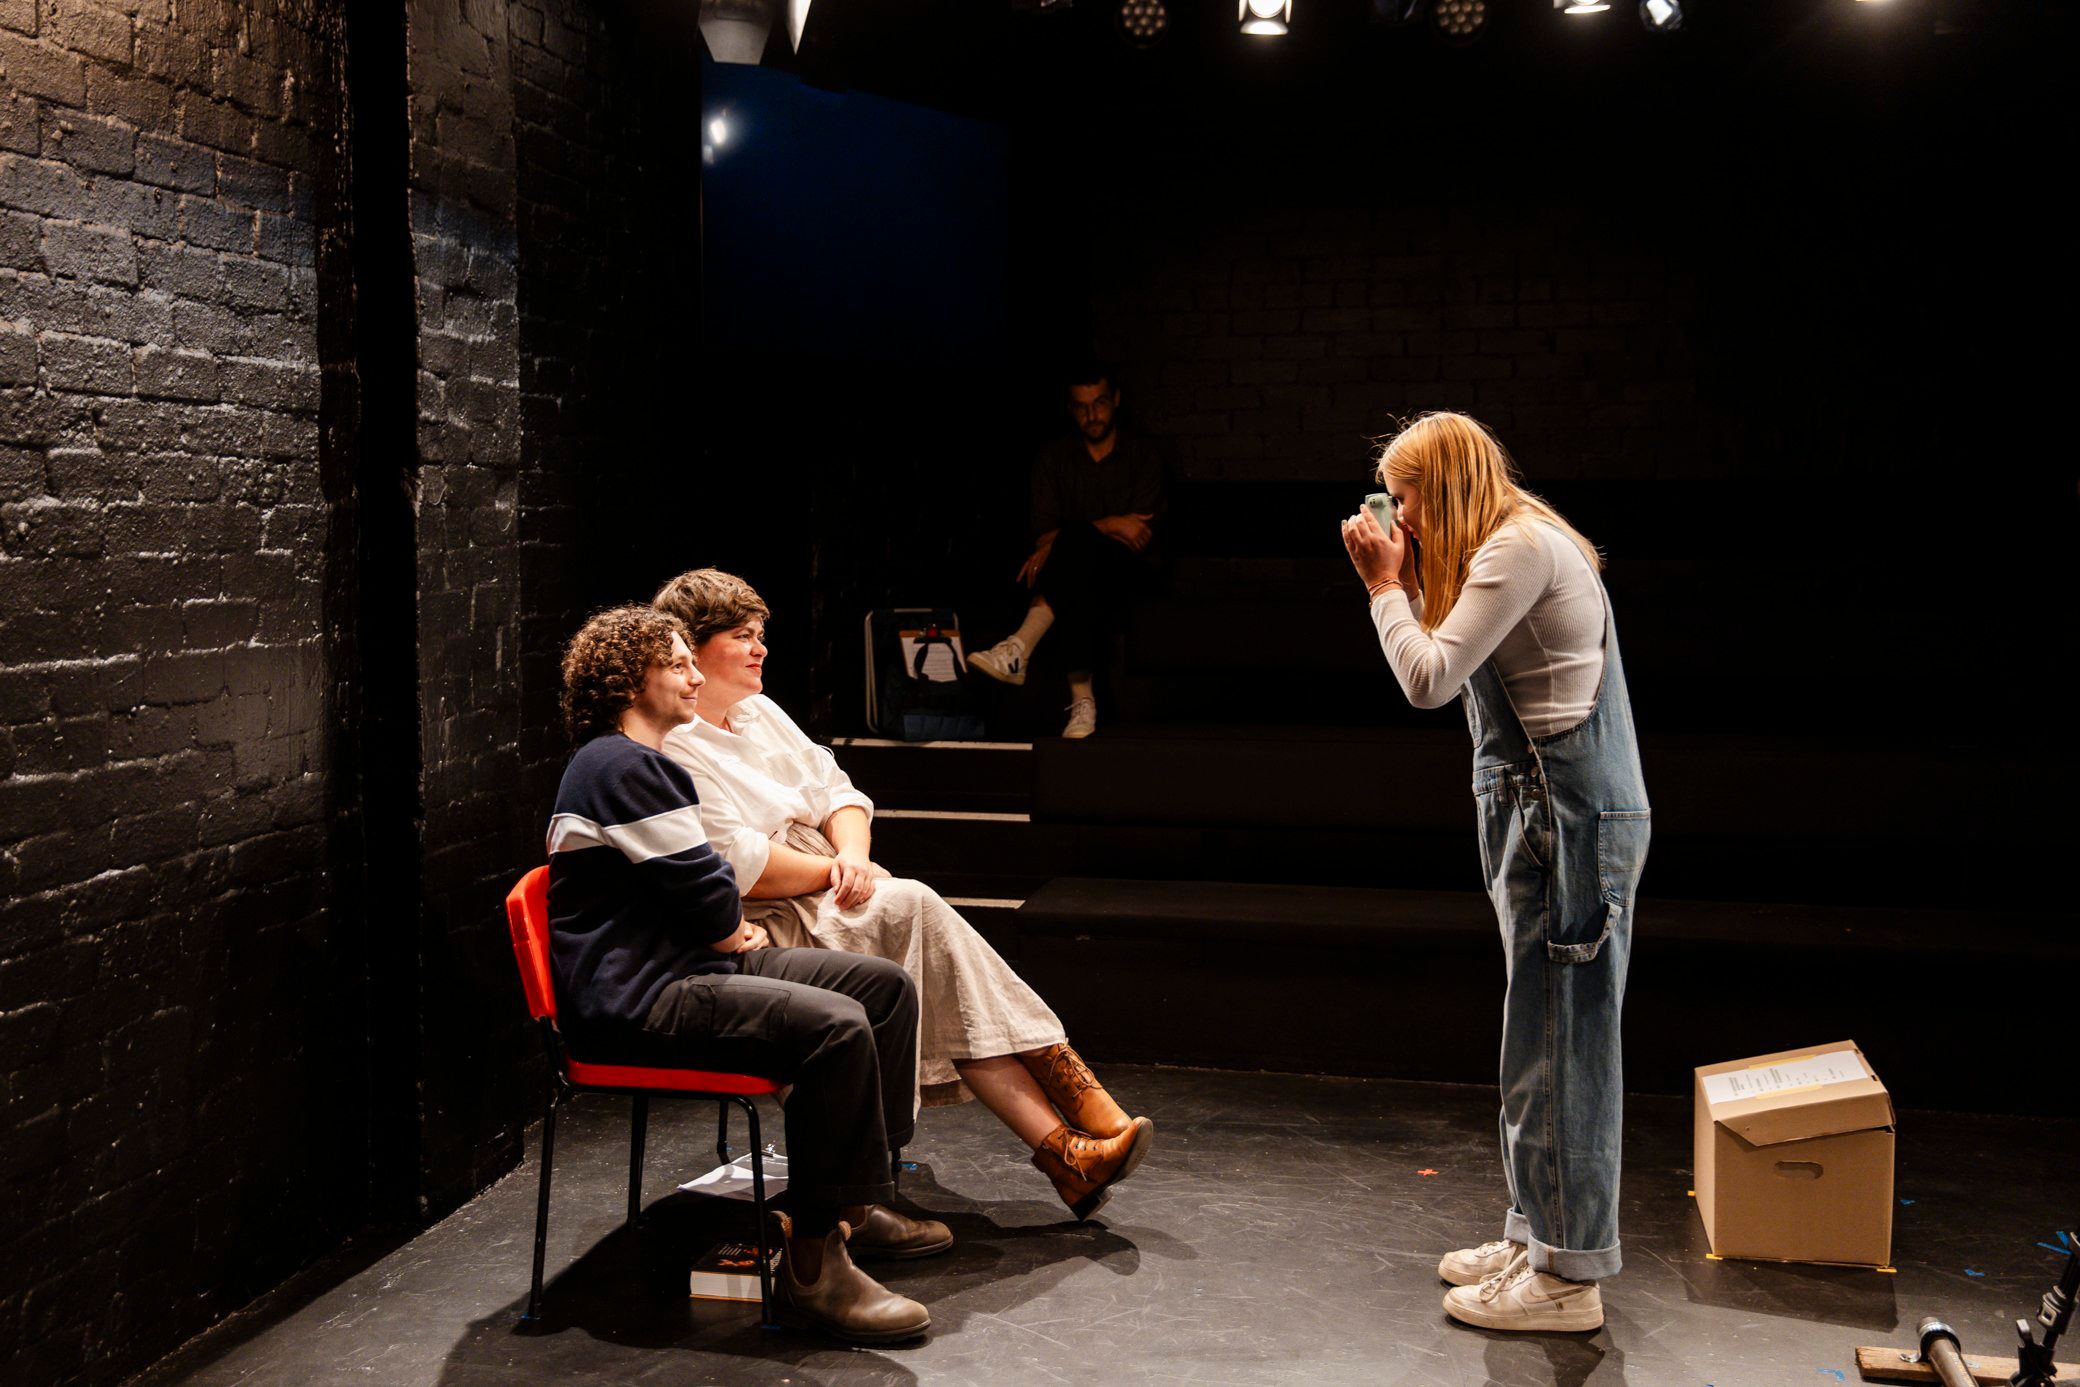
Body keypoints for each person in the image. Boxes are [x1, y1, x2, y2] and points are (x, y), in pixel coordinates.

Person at [651, 567, 1156, 1221]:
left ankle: (1069, 1147)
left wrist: (855, 854)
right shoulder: (678, 743)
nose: (760, 648)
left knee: (930, 941)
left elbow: (838, 790)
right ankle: (1075, 1121)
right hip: (771, 916)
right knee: (918, 909)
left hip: (828, 879)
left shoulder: (759, 712)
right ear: (694, 647)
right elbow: (742, 868)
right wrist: (839, 870)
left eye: (762, 635)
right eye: (743, 636)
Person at [547, 605, 950, 1343]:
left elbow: (700, 889)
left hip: (684, 968)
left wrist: (728, 929)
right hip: (641, 997)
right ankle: (812, 1267)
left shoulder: (639, 764)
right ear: (631, 679)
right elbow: (706, 893)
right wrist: (733, 930)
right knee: (835, 1028)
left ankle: (856, 1201)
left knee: (880, 987)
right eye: (677, 664)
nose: (695, 676)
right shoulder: (619, 765)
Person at [1339, 413, 1650, 1335]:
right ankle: (1540, 1233)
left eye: (1408, 498)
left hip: (1567, 814)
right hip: (1546, 811)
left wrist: (1384, 586)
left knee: (1567, 1042)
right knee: (1538, 1037)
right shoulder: (1514, 544)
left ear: (1444, 486)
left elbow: (1428, 676)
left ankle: (1568, 1277)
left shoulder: (1519, 548)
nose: (1402, 514)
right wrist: (1407, 574)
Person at [966, 364, 1169, 739]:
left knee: (1076, 546)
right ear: (1071, 409)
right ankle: (1082, 704)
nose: (1093, 415)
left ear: (1117, 401)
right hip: (1079, 580)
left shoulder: (1144, 456)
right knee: (1078, 563)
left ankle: (1021, 649)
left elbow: (1138, 535)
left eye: (1101, 403)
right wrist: (1111, 524)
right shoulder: (1054, 459)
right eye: (1082, 406)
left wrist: (1074, 536)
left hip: (1131, 574)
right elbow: (1044, 538)